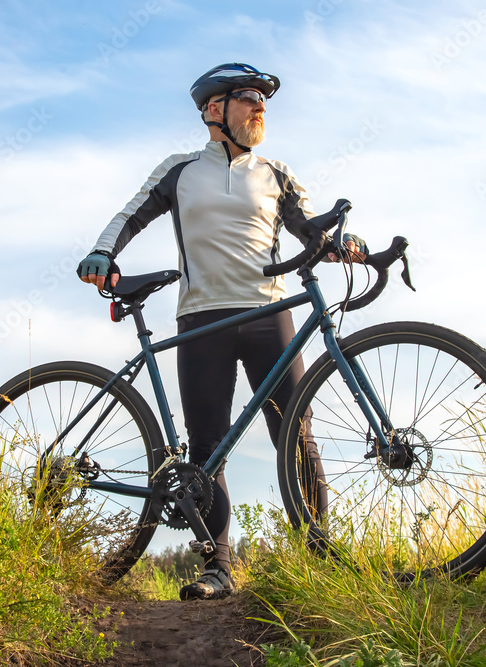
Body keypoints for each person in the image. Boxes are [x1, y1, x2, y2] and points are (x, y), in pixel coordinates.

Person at [76, 63, 366, 600]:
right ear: (214, 110)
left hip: (268, 313)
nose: (261, 106)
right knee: (208, 448)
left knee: (294, 435)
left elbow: (310, 230)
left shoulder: (276, 172)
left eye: (264, 100)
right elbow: (131, 214)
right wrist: (103, 252)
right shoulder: (182, 169)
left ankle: (319, 559)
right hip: (202, 317)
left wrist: (345, 246)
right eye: (249, 97)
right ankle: (217, 568)